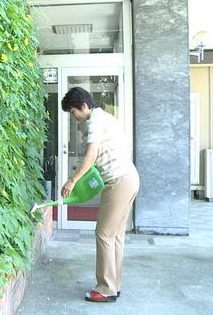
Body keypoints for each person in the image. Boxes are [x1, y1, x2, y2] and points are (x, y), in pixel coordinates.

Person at [60, 86, 140, 303]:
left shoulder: (95, 120)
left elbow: (91, 154)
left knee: (104, 234)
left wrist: (72, 180)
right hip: (130, 177)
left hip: (118, 181)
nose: (75, 119)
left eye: (74, 113)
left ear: (84, 106)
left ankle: (105, 289)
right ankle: (114, 285)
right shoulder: (107, 118)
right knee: (115, 236)